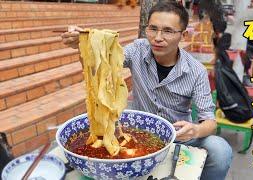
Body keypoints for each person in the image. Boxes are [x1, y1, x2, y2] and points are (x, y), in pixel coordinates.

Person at [62, 1, 232, 180]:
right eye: (153, 29)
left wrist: (195, 131)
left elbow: (210, 122)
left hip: (178, 135)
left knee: (221, 150)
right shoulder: (138, 49)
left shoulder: (196, 70)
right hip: (138, 130)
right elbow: (103, 66)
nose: (158, 37)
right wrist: (85, 44)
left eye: (167, 31)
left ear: (183, 35)